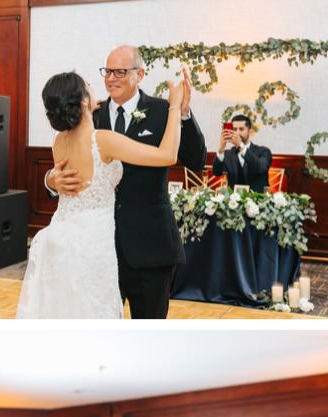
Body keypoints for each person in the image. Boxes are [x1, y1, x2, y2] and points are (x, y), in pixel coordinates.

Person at [42, 46, 207, 318]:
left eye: (120, 71)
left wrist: (183, 113)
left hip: (150, 246)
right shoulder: (86, 115)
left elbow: (195, 160)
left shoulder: (162, 110)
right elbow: (64, 163)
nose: (111, 78)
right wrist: (51, 179)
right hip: (99, 249)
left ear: (140, 74)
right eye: (107, 71)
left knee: (148, 333)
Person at [212, 113, 272, 191]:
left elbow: (260, 168)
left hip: (257, 200)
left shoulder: (263, 151)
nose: (237, 133)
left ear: (249, 131)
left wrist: (240, 146)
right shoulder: (228, 154)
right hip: (233, 201)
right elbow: (216, 172)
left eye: (241, 129)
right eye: (234, 129)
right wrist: (221, 149)